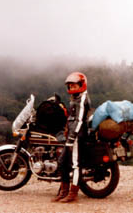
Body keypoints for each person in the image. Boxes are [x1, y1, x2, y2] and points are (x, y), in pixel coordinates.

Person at [52, 72, 91, 203]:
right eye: (70, 86)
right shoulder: (75, 97)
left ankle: (72, 194)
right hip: (71, 134)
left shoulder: (82, 98)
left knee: (75, 165)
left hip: (78, 136)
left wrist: (72, 138)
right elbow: (71, 118)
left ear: (81, 84)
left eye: (74, 85)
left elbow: (79, 120)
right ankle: (63, 192)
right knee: (62, 162)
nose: (72, 88)